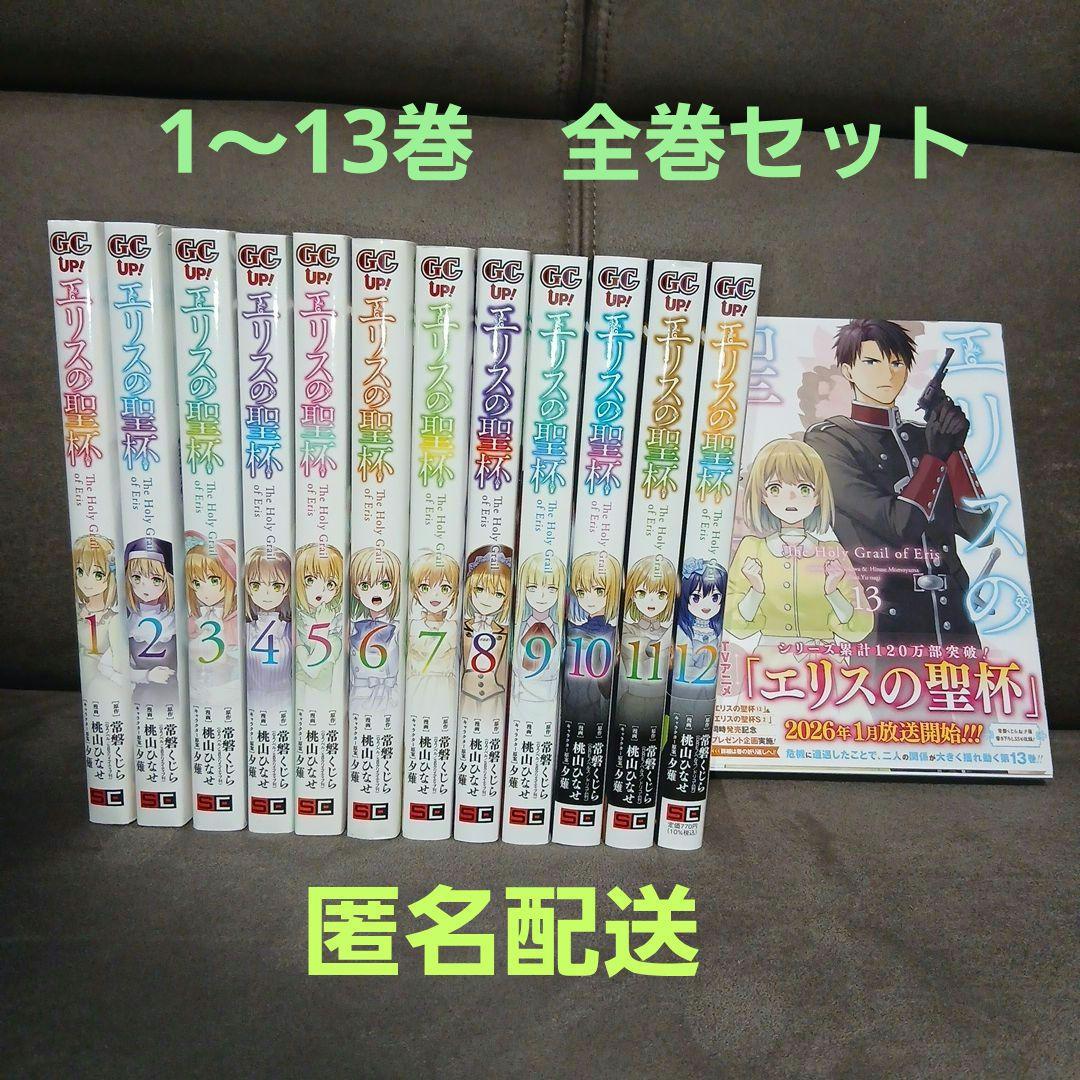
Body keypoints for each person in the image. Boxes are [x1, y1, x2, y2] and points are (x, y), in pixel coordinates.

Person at [803, 319, 992, 646]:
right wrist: (936, 456)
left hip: (956, 620)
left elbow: (981, 532)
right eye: (871, 362)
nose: (887, 374)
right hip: (887, 623)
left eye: (896, 363)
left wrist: (955, 450)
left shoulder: (924, 436)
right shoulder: (831, 442)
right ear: (848, 371)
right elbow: (899, 525)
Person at [725, 438, 873, 645]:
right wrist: (756, 589)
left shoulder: (832, 551)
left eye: (804, 489)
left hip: (824, 658)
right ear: (762, 496)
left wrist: (832, 591)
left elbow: (859, 626)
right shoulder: (752, 549)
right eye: (775, 489)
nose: (791, 498)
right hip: (767, 658)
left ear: (819, 496)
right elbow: (734, 624)